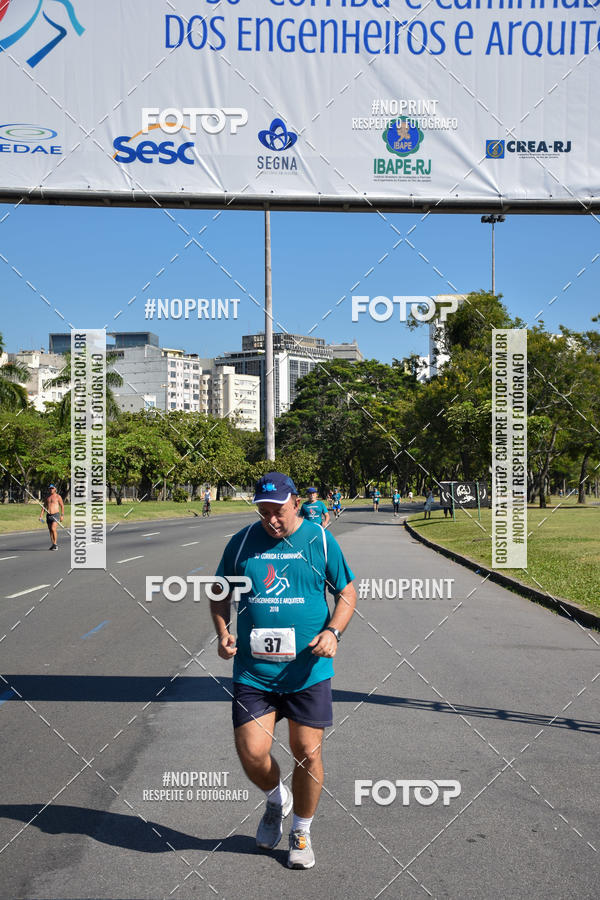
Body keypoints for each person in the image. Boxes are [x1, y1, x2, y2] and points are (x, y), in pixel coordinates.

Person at [211, 472, 356, 870]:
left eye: (277, 511)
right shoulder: (241, 543)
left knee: (306, 752)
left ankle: (301, 830)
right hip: (255, 672)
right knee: (253, 754)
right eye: (263, 512)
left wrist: (334, 631)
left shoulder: (320, 540)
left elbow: (346, 592)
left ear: (295, 502)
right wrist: (223, 632)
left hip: (307, 670)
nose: (271, 520)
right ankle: (277, 799)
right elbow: (220, 593)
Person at [39, 484, 64, 550]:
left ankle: (55, 544)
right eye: (50, 488)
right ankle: (53, 544)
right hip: (48, 515)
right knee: (50, 531)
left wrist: (62, 515)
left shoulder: (58, 497)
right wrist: (41, 515)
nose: (51, 489)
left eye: (52, 488)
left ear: (55, 489)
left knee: (53, 529)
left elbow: (62, 506)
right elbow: (44, 507)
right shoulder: (47, 497)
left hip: (56, 514)